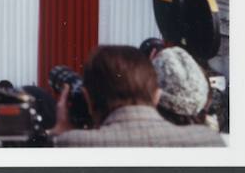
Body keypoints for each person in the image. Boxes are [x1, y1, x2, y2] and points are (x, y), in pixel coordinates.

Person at [52, 45, 224, 146]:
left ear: (87, 98)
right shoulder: (210, 141)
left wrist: (59, 133)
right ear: (156, 97)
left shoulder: (72, 143)